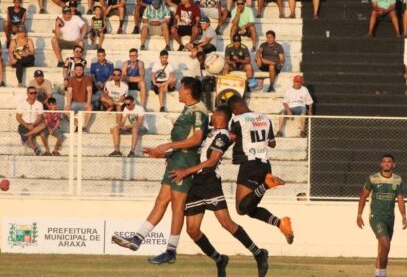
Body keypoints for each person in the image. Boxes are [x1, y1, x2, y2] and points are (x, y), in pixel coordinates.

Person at [112, 77, 208, 265]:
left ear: (188, 91)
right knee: (161, 200)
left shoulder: (199, 111)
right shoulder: (189, 109)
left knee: (177, 205)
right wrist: (163, 154)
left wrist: (168, 146)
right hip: (177, 159)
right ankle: (137, 239)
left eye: (181, 88)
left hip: (186, 161)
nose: (178, 91)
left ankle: (171, 250)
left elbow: (196, 140)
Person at [169, 107, 269, 277]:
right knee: (192, 230)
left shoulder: (222, 135)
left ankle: (259, 253)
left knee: (226, 223)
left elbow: (212, 160)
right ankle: (219, 259)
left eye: (214, 113)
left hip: (209, 181)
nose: (211, 115)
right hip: (196, 183)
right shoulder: (210, 132)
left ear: (221, 118)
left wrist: (186, 171)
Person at [227, 95, 294, 244]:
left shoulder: (238, 120)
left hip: (249, 164)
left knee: (241, 208)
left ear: (234, 109)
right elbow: (272, 144)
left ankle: (267, 185)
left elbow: (230, 138)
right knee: (250, 208)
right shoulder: (264, 118)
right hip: (264, 166)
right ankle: (280, 223)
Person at [356, 154, 407, 277]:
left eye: (389, 162)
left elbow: (400, 199)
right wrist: (359, 215)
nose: (386, 163)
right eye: (384, 161)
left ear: (393, 164)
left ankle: (378, 273)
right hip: (376, 217)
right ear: (381, 164)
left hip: (390, 218)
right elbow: (363, 196)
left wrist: (404, 216)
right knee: (385, 243)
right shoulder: (373, 179)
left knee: (383, 249)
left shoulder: (398, 180)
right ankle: (382, 274)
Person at [16, 86, 45, 155]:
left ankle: (26, 135)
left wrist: (33, 124)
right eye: (31, 93)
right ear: (27, 94)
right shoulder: (21, 103)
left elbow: (39, 118)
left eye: (35, 93)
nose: (33, 94)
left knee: (44, 124)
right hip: (24, 125)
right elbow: (18, 117)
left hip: (34, 125)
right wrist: (27, 125)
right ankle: (35, 149)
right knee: (30, 137)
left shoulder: (39, 104)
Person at [65, 63, 93, 131]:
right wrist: (68, 104)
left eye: (80, 69)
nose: (79, 71)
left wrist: (88, 102)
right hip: (74, 103)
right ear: (74, 70)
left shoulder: (88, 78)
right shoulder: (71, 79)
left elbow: (89, 91)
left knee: (90, 108)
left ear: (83, 70)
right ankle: (77, 125)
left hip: (84, 102)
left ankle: (84, 126)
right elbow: (69, 93)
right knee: (66, 111)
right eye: (77, 69)